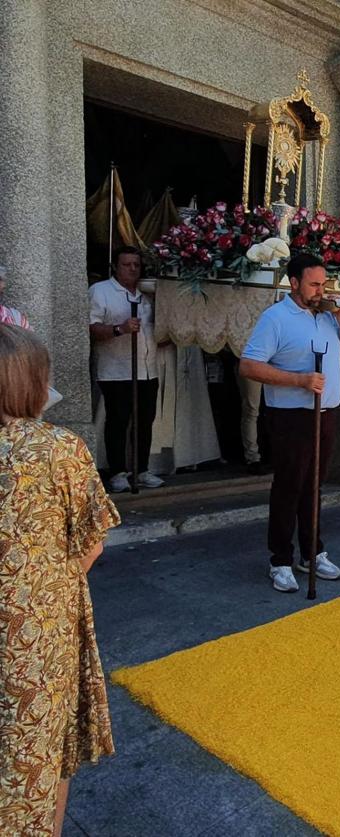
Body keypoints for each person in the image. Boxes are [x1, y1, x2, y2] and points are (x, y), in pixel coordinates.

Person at [0, 325, 119, 836]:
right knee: (44, 745)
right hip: (39, 632)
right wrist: (46, 581)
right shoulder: (57, 449)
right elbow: (92, 540)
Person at [240, 253, 340, 591]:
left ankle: (312, 552)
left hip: (327, 413)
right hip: (291, 416)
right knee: (289, 487)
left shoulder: (328, 318)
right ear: (294, 283)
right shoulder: (275, 318)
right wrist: (299, 381)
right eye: (313, 284)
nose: (320, 290)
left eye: (323, 283)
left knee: (314, 486)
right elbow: (249, 366)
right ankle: (280, 559)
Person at [88, 245, 163, 492]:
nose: (132, 269)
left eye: (136, 265)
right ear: (115, 267)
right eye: (126, 264)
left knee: (144, 421)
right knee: (118, 421)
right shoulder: (101, 292)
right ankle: (118, 471)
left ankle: (141, 469)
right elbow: (91, 327)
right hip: (116, 369)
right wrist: (119, 329)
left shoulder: (148, 293)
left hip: (147, 369)